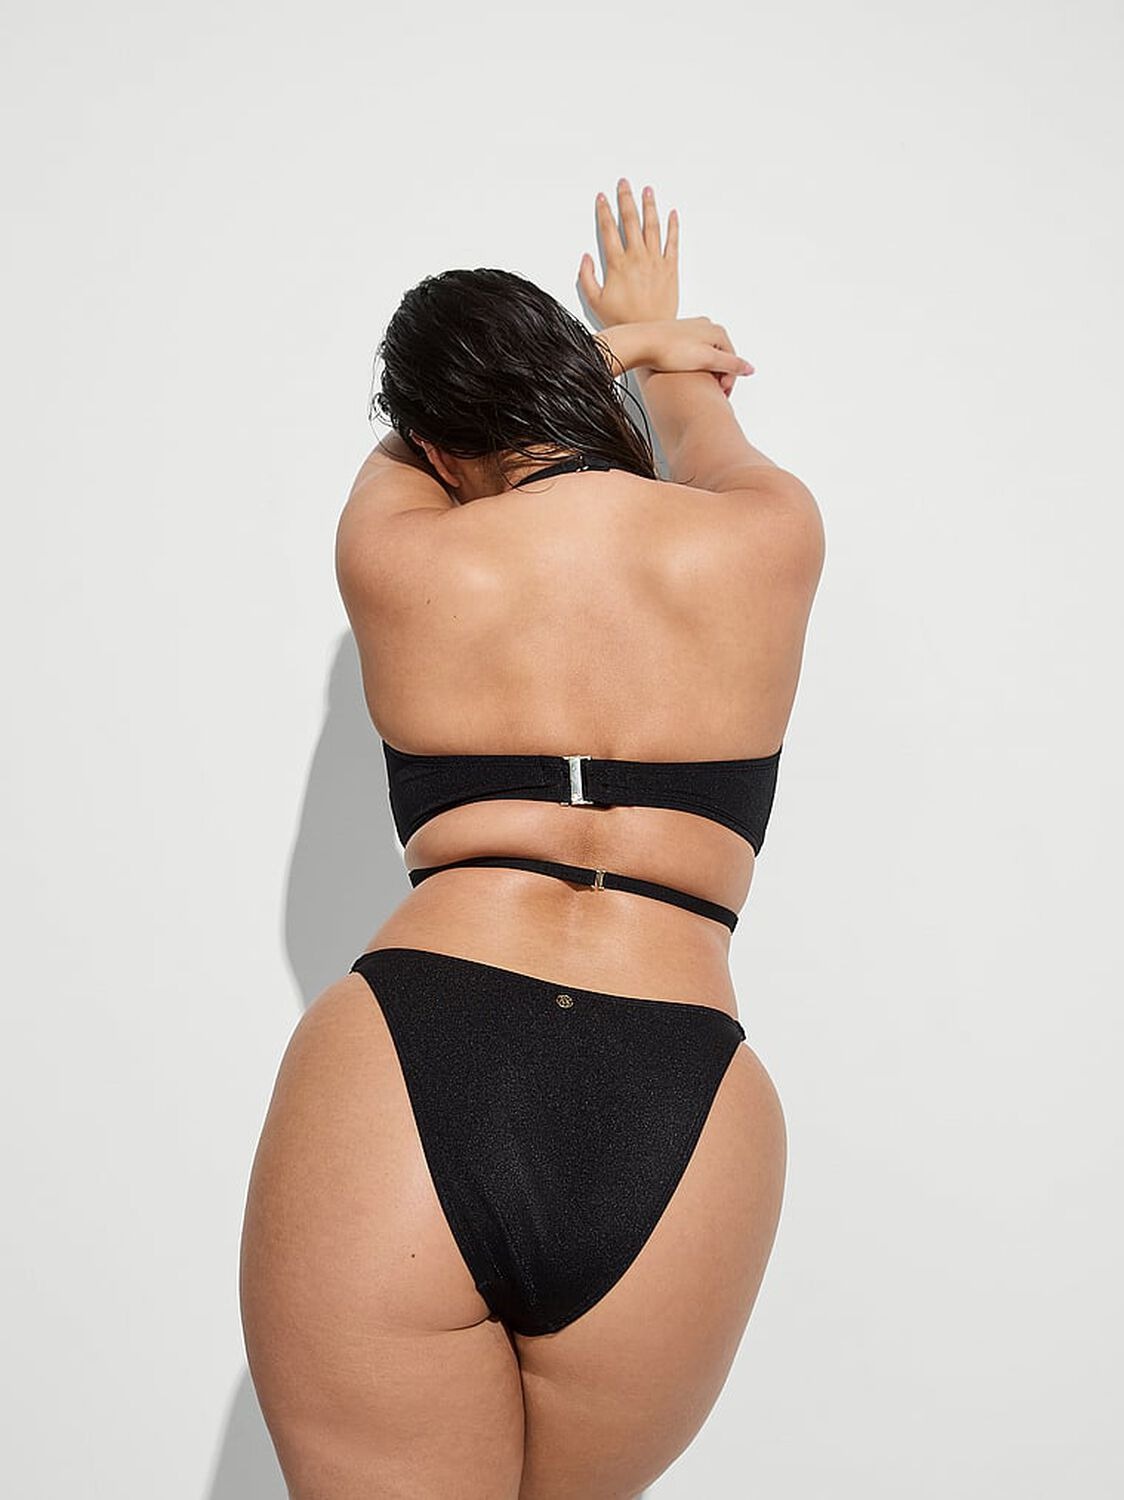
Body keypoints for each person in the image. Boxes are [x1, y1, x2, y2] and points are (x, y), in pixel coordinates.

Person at [239, 176, 825, 1499]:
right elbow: (700, 410)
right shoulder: (768, 533)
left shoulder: (395, 552)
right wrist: (649, 342)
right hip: (678, 1078)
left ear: (442, 445)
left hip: (418, 1047)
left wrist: (604, 349)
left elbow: (414, 442)